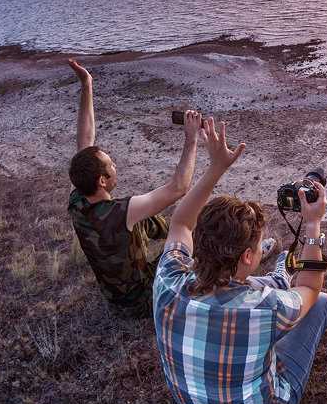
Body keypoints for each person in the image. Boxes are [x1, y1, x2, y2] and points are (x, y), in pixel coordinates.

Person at [152, 117, 327, 404]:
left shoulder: (169, 279)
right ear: (247, 257)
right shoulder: (261, 309)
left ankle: (279, 279)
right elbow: (311, 288)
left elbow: (179, 224)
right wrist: (313, 227)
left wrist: (216, 167)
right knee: (319, 306)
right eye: (257, 247)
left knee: (247, 286)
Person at [66, 58, 228, 317]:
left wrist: (87, 83)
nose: (115, 165)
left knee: (145, 219)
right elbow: (178, 188)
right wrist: (191, 139)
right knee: (180, 227)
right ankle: (222, 254)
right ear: (102, 181)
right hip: (142, 300)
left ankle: (197, 238)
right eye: (110, 165)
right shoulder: (121, 212)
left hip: (116, 298)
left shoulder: (78, 200)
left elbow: (86, 139)